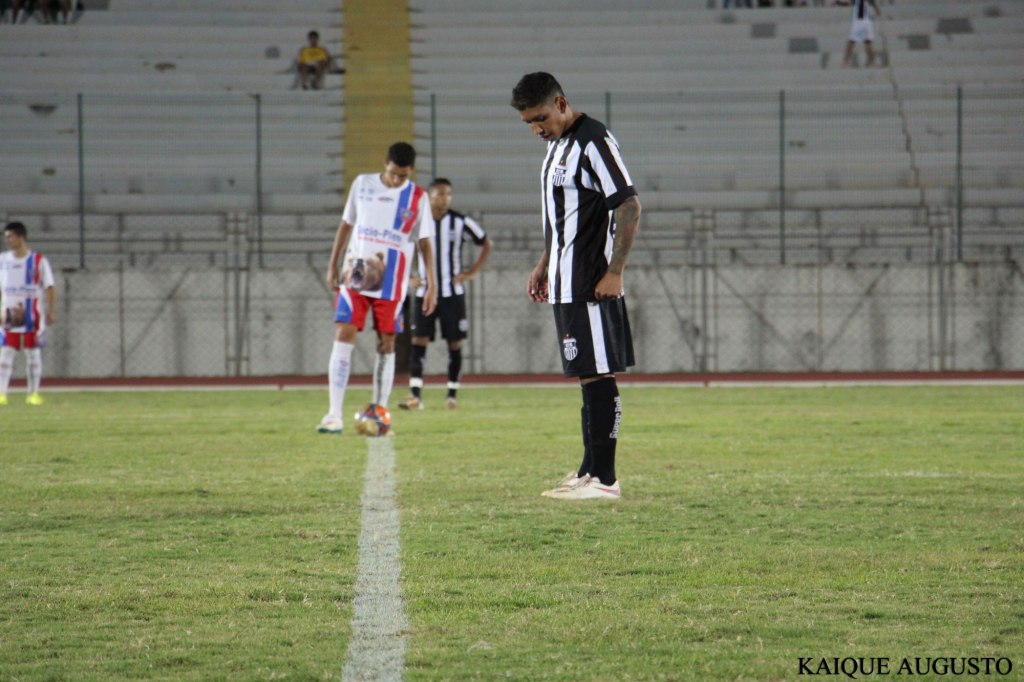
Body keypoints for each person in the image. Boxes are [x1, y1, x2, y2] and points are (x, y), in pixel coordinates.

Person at [510, 72, 641, 501]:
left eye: (541, 118)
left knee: (599, 374)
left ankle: (606, 479)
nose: (537, 128)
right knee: (587, 375)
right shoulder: (557, 146)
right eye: (529, 122)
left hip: (591, 279)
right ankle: (588, 471)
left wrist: (615, 270)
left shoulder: (593, 141)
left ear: (562, 103)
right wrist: (544, 264)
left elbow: (628, 204)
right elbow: (562, 216)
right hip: (566, 279)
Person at [318, 141, 437, 434]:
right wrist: (332, 264)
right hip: (355, 274)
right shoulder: (362, 184)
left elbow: (424, 242)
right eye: (394, 173)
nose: (397, 180)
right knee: (344, 333)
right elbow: (346, 224)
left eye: (403, 176)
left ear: (411, 171)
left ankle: (380, 413)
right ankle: (334, 415)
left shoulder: (418, 197)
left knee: (386, 343)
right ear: (385, 163)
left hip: (392, 280)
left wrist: (431, 283)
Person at [399, 178, 492, 411]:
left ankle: (451, 395)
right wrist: (408, 278)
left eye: (448, 194)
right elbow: (400, 247)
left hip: (452, 295)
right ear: (429, 196)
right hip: (424, 293)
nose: (444, 198)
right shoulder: (417, 222)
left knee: (454, 343)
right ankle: (415, 396)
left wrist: (471, 272)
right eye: (440, 194)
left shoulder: (459, 221)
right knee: (418, 341)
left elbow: (486, 243)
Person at [0, 221, 56, 406]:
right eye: (6, 237)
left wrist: (51, 310)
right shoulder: (3, 260)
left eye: (10, 236)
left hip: (33, 315)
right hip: (9, 313)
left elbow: (49, 286)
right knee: (6, 353)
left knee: (33, 354)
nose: (7, 240)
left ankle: (33, 394)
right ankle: (2, 393)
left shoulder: (38, 260)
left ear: (21, 237)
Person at [843, 0, 881, 67]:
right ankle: (872, 62)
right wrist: (877, 11)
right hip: (862, 21)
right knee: (864, 42)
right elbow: (874, 4)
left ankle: (845, 61)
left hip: (861, 21)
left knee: (861, 42)